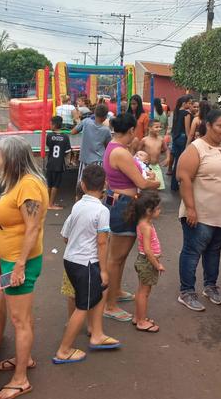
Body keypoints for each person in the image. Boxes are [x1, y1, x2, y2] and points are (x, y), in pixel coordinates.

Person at [0, 136, 49, 399]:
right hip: (13, 259)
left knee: (20, 320)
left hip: (19, 261)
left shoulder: (28, 186)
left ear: (12, 159)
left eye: (0, 156)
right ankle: (22, 358)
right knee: (22, 317)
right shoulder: (21, 183)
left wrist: (19, 265)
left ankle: (20, 380)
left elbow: (33, 227)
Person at [176, 109, 221, 312]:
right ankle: (187, 292)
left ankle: (210, 286)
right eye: (219, 125)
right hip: (201, 214)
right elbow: (184, 177)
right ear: (208, 125)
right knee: (192, 251)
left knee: (214, 251)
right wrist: (190, 208)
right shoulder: (196, 148)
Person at [53, 165, 121, 364]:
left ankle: (97, 333)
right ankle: (64, 350)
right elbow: (102, 242)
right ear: (105, 185)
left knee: (99, 293)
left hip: (71, 259)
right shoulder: (101, 211)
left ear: (82, 185)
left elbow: (66, 236)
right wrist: (105, 270)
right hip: (86, 263)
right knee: (83, 305)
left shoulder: (77, 206)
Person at [103, 113, 160, 322]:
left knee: (120, 255)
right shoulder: (120, 152)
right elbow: (143, 184)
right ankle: (109, 304)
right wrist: (155, 182)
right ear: (130, 131)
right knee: (115, 258)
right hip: (124, 205)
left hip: (123, 202)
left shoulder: (116, 147)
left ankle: (115, 292)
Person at [127, 190, 165, 333]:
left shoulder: (143, 222)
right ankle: (142, 322)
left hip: (143, 261)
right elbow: (148, 250)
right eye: (158, 209)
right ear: (149, 211)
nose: (160, 211)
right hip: (148, 262)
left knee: (141, 290)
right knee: (144, 292)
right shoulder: (146, 227)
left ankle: (138, 317)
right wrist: (157, 264)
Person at [70, 103, 112, 186]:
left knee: (82, 185)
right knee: (96, 186)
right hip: (98, 161)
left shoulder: (86, 122)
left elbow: (73, 132)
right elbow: (108, 146)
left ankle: (79, 198)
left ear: (95, 113)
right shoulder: (106, 130)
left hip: (85, 160)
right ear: (105, 117)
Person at [45, 115, 71, 210]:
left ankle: (47, 203)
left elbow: (48, 147)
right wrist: (68, 162)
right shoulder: (65, 137)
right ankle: (50, 204)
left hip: (50, 163)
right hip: (59, 164)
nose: (50, 125)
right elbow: (67, 152)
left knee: (49, 183)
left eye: (51, 124)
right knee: (56, 185)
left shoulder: (50, 136)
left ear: (55, 125)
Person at [169, 94, 194, 191]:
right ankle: (177, 185)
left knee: (177, 161)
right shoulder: (186, 114)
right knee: (181, 163)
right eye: (190, 103)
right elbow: (187, 131)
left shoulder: (177, 112)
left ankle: (174, 185)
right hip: (183, 139)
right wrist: (189, 142)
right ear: (184, 103)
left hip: (176, 138)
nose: (191, 105)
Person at [139, 119, 168, 190]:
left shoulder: (161, 140)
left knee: (157, 186)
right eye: (156, 127)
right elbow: (138, 151)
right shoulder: (144, 140)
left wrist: (168, 158)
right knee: (147, 187)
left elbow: (166, 149)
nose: (159, 129)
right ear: (149, 128)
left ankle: (154, 200)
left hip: (156, 167)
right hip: (146, 167)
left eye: (160, 127)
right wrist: (140, 161)